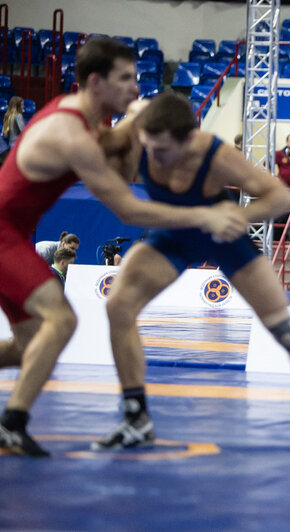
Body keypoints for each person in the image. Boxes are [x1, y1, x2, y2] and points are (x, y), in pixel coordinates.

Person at [0, 37, 247, 457]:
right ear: (96, 82)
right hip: (4, 234)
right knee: (59, 322)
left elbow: (125, 162)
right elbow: (129, 209)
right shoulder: (71, 134)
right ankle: (12, 426)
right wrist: (203, 216)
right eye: (126, 79)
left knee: (28, 346)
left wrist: (134, 128)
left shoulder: (83, 118)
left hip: (13, 233)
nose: (135, 87)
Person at [91, 93, 290, 453]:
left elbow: (279, 198)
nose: (154, 157)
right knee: (118, 307)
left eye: (164, 150)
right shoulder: (140, 128)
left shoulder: (214, 154)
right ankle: (136, 417)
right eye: (149, 148)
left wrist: (238, 218)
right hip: (173, 234)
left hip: (224, 237)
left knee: (286, 332)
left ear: (188, 140)